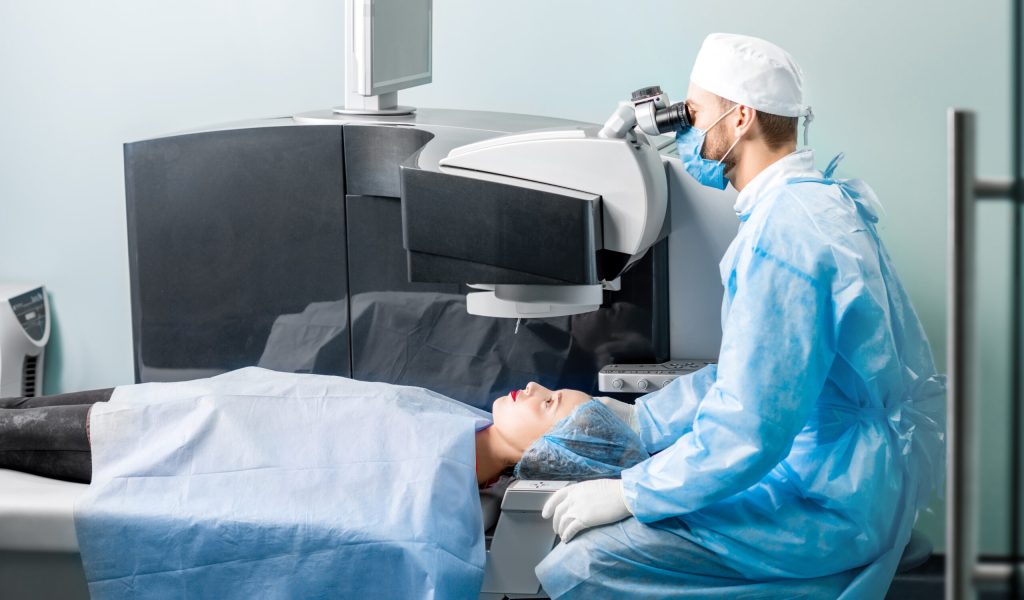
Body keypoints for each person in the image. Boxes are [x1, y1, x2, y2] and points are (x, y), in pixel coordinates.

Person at [538, 33, 946, 598]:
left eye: (695, 113)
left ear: (742, 116)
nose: (685, 130)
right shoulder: (816, 202)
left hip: (826, 502)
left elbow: (752, 423)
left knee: (581, 564)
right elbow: (757, 374)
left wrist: (632, 492)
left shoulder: (785, 235)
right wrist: (645, 421)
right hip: (849, 477)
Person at [0, 378, 644, 487]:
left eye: (550, 400)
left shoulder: (435, 478)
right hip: (179, 404)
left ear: (551, 452)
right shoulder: (458, 424)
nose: (532, 387)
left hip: (166, 439)